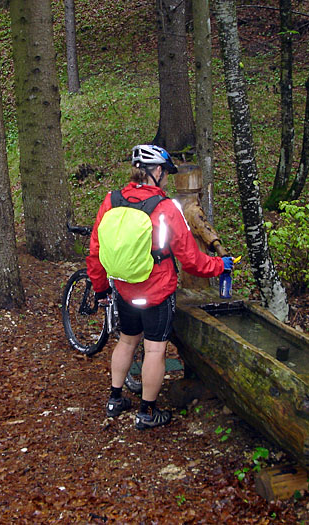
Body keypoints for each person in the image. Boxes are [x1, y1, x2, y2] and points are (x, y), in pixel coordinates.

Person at [86, 144, 234, 429]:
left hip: (125, 289)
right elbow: (190, 260)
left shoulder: (111, 201)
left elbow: (96, 251)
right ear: (154, 172)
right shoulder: (165, 208)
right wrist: (220, 266)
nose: (166, 178)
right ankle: (148, 412)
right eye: (164, 172)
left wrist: (101, 288)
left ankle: (115, 400)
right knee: (154, 350)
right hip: (157, 293)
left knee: (127, 341)